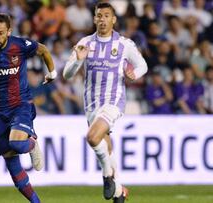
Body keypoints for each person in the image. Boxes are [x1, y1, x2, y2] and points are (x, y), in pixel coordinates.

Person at [0, 13, 57, 203]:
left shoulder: (20, 45)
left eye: (0, 33)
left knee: (16, 143)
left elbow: (44, 50)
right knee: (13, 168)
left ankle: (32, 143)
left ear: (9, 32)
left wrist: (52, 72)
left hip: (20, 105)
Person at [63, 2, 148, 203]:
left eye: (106, 16)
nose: (102, 20)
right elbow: (67, 74)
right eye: (99, 16)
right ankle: (119, 191)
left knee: (92, 138)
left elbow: (142, 64)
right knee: (105, 146)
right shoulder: (85, 43)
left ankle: (107, 176)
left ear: (113, 19)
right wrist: (77, 59)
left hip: (113, 101)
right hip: (91, 104)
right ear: (94, 19)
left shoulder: (124, 44)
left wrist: (133, 74)